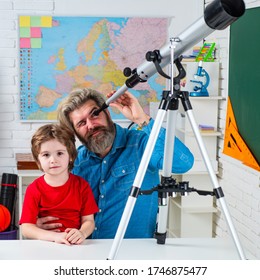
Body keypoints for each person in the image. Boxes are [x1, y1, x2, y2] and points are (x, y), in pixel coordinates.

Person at [37, 88, 194, 239]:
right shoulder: (76, 162)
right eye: (81, 123)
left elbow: (183, 163)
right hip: (87, 250)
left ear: (107, 113)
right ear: (75, 132)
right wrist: (41, 222)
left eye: (94, 115)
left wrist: (142, 119)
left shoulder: (141, 144)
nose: (91, 125)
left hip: (135, 253)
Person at [19, 124, 99, 245]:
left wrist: (82, 233)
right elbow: (26, 228)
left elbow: (89, 221)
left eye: (60, 153)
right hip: (46, 244)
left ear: (71, 156)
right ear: (38, 160)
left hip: (75, 245)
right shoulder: (34, 189)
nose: (53, 160)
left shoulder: (82, 186)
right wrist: (54, 237)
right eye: (46, 155)